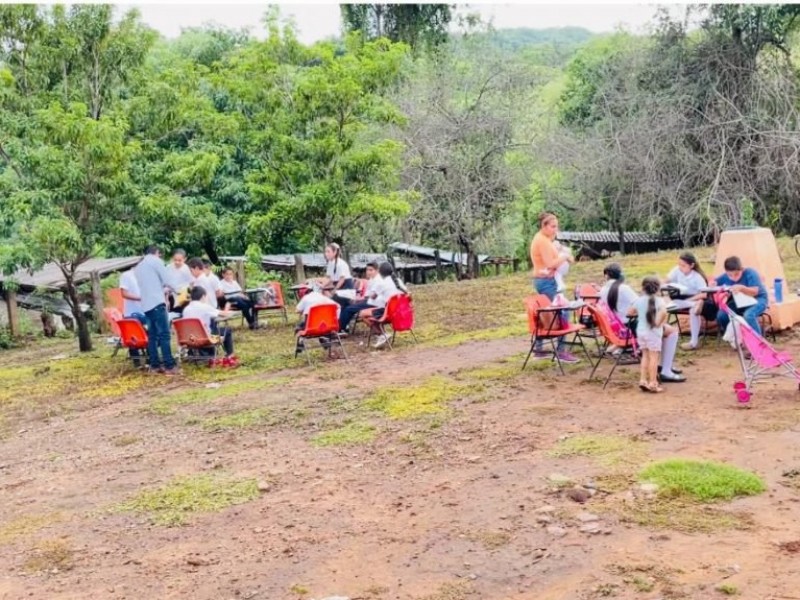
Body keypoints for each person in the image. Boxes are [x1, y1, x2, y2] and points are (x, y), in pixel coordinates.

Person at [600, 263, 685, 383]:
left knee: (662, 335)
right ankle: (666, 370)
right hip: (633, 326)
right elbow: (641, 303)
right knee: (672, 332)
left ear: (606, 276)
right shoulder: (623, 288)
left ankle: (662, 367)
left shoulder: (603, 290)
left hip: (620, 327)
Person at [529, 212, 579, 364]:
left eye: (556, 226)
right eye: (552, 226)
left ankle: (539, 348)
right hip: (547, 281)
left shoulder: (545, 239)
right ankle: (561, 351)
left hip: (547, 280)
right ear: (544, 226)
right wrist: (564, 256)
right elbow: (550, 264)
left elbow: (557, 259)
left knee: (548, 313)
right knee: (562, 312)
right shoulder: (542, 241)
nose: (555, 229)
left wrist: (563, 255)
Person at [134, 245, 179, 375]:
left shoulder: (139, 267)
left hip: (146, 305)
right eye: (160, 254)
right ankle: (169, 365)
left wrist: (164, 290)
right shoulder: (156, 261)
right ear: (157, 253)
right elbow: (167, 280)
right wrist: (179, 291)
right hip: (157, 304)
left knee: (152, 336)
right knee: (164, 335)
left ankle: (154, 366)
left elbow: (151, 286)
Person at [710, 255, 769, 336]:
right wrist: (713, 283)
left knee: (749, 315)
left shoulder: (750, 273)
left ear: (742, 269)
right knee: (722, 315)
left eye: (737, 274)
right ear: (726, 272)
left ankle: (758, 341)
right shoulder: (725, 276)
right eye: (730, 275)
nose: (734, 278)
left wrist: (742, 288)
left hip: (758, 299)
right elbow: (715, 281)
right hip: (740, 301)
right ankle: (735, 337)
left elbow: (755, 291)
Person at [663, 252, 710, 351]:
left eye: (683, 266)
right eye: (679, 264)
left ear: (692, 265)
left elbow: (704, 294)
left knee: (693, 310)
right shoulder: (677, 270)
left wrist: (690, 300)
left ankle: (693, 342)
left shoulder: (697, 277)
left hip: (696, 298)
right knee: (670, 303)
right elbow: (665, 281)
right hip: (682, 299)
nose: (680, 267)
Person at [629, 277, 668, 393]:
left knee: (645, 356)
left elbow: (630, 312)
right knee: (654, 358)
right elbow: (664, 312)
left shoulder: (639, 300)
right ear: (658, 289)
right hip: (653, 332)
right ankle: (653, 382)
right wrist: (658, 323)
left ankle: (643, 380)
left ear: (643, 288)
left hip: (641, 331)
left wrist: (638, 312)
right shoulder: (660, 301)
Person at [182, 286, 238, 367]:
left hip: (190, 339)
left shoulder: (186, 309)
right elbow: (223, 313)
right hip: (205, 338)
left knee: (211, 327)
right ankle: (230, 356)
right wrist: (232, 312)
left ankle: (205, 355)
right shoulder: (204, 307)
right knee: (227, 330)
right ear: (203, 296)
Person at [358, 261, 408, 349]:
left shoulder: (382, 283)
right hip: (400, 312)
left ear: (379, 272)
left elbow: (373, 297)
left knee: (362, 314)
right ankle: (382, 335)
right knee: (373, 312)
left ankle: (382, 334)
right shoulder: (398, 281)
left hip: (388, 313)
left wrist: (365, 294)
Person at [338, 261, 382, 333]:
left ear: (377, 271)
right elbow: (366, 295)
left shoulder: (378, 280)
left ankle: (340, 329)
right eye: (367, 270)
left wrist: (359, 300)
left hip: (375, 303)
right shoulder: (371, 279)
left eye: (371, 270)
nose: (368, 272)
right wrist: (358, 299)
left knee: (349, 309)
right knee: (347, 304)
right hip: (370, 301)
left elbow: (372, 296)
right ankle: (344, 326)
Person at [295, 283, 341, 351]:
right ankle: (323, 338)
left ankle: (301, 342)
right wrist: (335, 320)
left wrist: (304, 309)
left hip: (311, 328)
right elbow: (338, 306)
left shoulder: (306, 298)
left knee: (299, 326)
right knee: (318, 324)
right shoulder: (323, 297)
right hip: (328, 327)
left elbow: (297, 310)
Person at [119, 266, 147, 368]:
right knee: (132, 337)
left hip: (144, 311)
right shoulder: (127, 275)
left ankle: (149, 359)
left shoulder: (145, 276)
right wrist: (140, 298)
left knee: (148, 334)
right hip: (131, 312)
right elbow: (124, 293)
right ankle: (136, 362)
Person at [166, 249, 194, 314]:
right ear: (172, 258)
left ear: (185, 259)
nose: (177, 262)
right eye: (175, 260)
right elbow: (166, 282)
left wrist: (188, 295)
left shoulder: (186, 269)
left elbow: (191, 283)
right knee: (172, 315)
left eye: (179, 260)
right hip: (171, 295)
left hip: (183, 296)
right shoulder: (169, 267)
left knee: (182, 314)